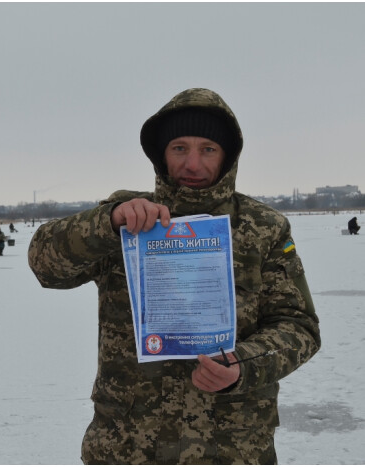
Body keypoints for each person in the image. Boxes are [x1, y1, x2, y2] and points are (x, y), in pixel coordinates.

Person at [28, 88, 320, 464]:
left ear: (228, 155)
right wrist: (108, 223)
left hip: (230, 449)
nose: (193, 164)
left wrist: (243, 364)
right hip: (127, 447)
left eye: (208, 149)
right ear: (161, 153)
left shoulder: (262, 228)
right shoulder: (128, 218)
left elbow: (299, 327)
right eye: (180, 148)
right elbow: (45, 265)